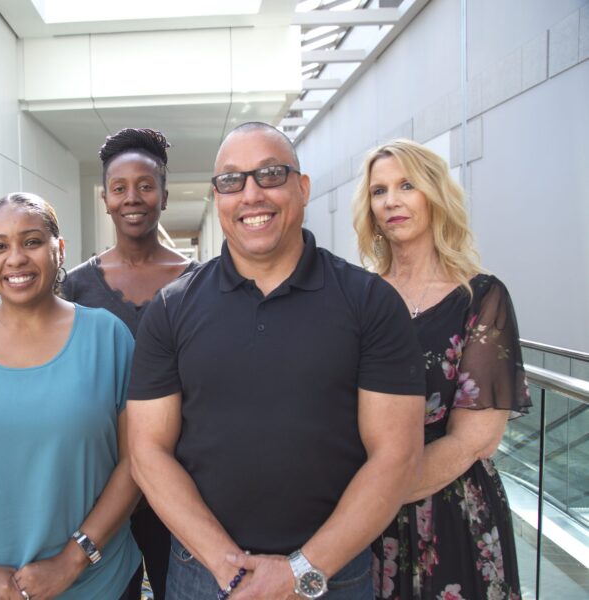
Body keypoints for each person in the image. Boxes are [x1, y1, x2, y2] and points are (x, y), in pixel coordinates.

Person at [127, 122, 427, 600]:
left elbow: (397, 455)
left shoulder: (370, 302)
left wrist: (301, 572)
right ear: (217, 197)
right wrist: (229, 568)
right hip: (204, 576)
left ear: (302, 188)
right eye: (231, 180)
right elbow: (147, 452)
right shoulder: (171, 308)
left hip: (333, 577)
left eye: (269, 174)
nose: (251, 194)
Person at [0, 193, 141, 600]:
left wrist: (71, 561)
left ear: (59, 248)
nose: (15, 258)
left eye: (32, 242)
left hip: (94, 585)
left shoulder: (107, 336)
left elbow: (136, 462)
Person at [352, 139, 530, 600]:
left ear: (435, 194)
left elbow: (477, 438)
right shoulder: (359, 297)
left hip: (453, 514)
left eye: (407, 185)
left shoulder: (482, 297)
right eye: (379, 190)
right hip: (361, 522)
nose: (391, 200)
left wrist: (375, 496)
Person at [62, 127, 195, 599]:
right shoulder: (74, 288)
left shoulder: (199, 282)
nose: (132, 198)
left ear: (163, 192)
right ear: (104, 198)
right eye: (119, 188)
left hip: (182, 481)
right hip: (100, 485)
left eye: (145, 185)